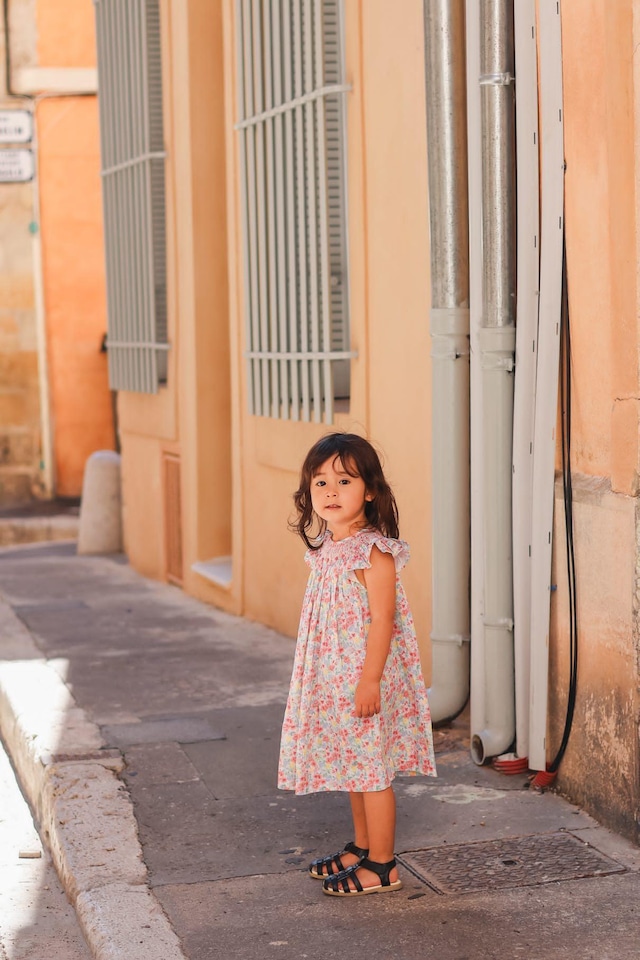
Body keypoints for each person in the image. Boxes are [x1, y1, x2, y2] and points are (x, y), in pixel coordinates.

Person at [277, 432, 436, 897]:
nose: (330, 491)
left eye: (344, 481)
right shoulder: (327, 548)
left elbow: (384, 620)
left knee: (372, 769)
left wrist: (370, 681)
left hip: (365, 676)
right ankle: (363, 848)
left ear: (369, 490)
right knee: (355, 765)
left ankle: (382, 865)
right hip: (335, 675)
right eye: (320, 482)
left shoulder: (374, 552)